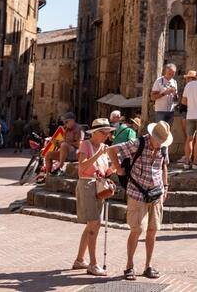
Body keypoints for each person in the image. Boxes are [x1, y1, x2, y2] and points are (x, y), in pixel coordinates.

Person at [109, 121, 172, 281]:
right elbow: (111, 150)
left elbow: (163, 166)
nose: (159, 144)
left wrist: (165, 186)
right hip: (137, 193)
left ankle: (148, 266)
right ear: (151, 135)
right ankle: (129, 266)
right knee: (136, 230)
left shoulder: (163, 146)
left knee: (153, 230)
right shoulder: (138, 143)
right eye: (157, 140)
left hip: (156, 194)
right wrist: (118, 168)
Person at [73, 118, 116, 277]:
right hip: (87, 185)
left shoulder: (104, 148)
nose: (107, 136)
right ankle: (92, 264)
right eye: (104, 133)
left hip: (98, 187)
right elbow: (82, 167)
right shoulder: (86, 145)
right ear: (95, 133)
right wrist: (98, 154)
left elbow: (103, 171)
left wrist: (111, 170)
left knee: (92, 225)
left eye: (108, 133)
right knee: (95, 224)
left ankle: (79, 260)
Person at [178, 70, 196, 166]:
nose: (188, 79)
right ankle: (188, 155)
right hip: (185, 112)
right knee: (187, 136)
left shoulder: (191, 87)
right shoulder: (188, 87)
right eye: (187, 78)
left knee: (189, 136)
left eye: (190, 78)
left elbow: (185, 101)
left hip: (188, 112)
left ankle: (188, 156)